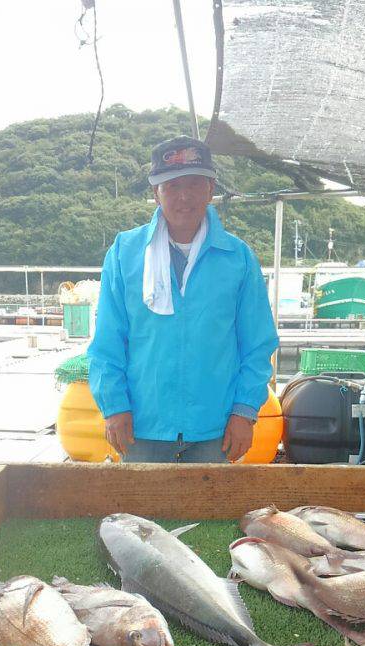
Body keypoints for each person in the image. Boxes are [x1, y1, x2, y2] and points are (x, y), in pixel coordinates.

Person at [87, 135, 279, 463]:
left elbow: (257, 345)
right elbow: (107, 341)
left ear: (211, 188)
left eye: (194, 184)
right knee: (140, 513)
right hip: (141, 426)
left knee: (212, 513)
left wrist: (244, 412)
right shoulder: (125, 252)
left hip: (216, 429)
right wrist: (114, 406)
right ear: (155, 192)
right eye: (171, 186)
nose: (184, 196)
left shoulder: (238, 257)